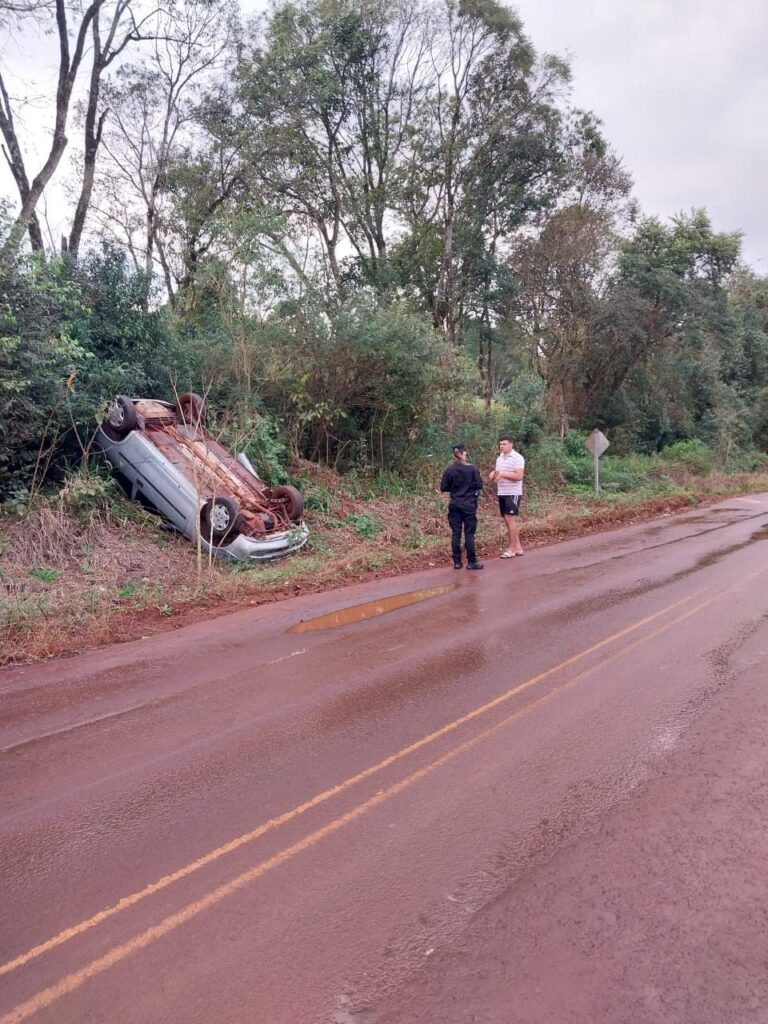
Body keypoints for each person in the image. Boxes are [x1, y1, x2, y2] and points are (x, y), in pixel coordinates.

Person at [440, 443, 484, 570]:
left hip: (455, 504)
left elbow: (443, 487)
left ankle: (457, 562)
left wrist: (455, 488)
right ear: (463, 453)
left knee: (456, 533)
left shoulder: (449, 470)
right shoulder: (472, 469)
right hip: (469, 504)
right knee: (469, 533)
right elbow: (479, 485)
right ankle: (471, 562)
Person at [489, 434, 525, 558]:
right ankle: (518, 547)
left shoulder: (517, 458)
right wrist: (494, 475)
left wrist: (503, 474)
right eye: (500, 444)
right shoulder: (499, 458)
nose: (502, 446)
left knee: (510, 518)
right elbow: (499, 476)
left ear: (511, 444)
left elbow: (519, 476)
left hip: (513, 492)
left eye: (504, 444)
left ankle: (512, 549)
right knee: (506, 519)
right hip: (502, 492)